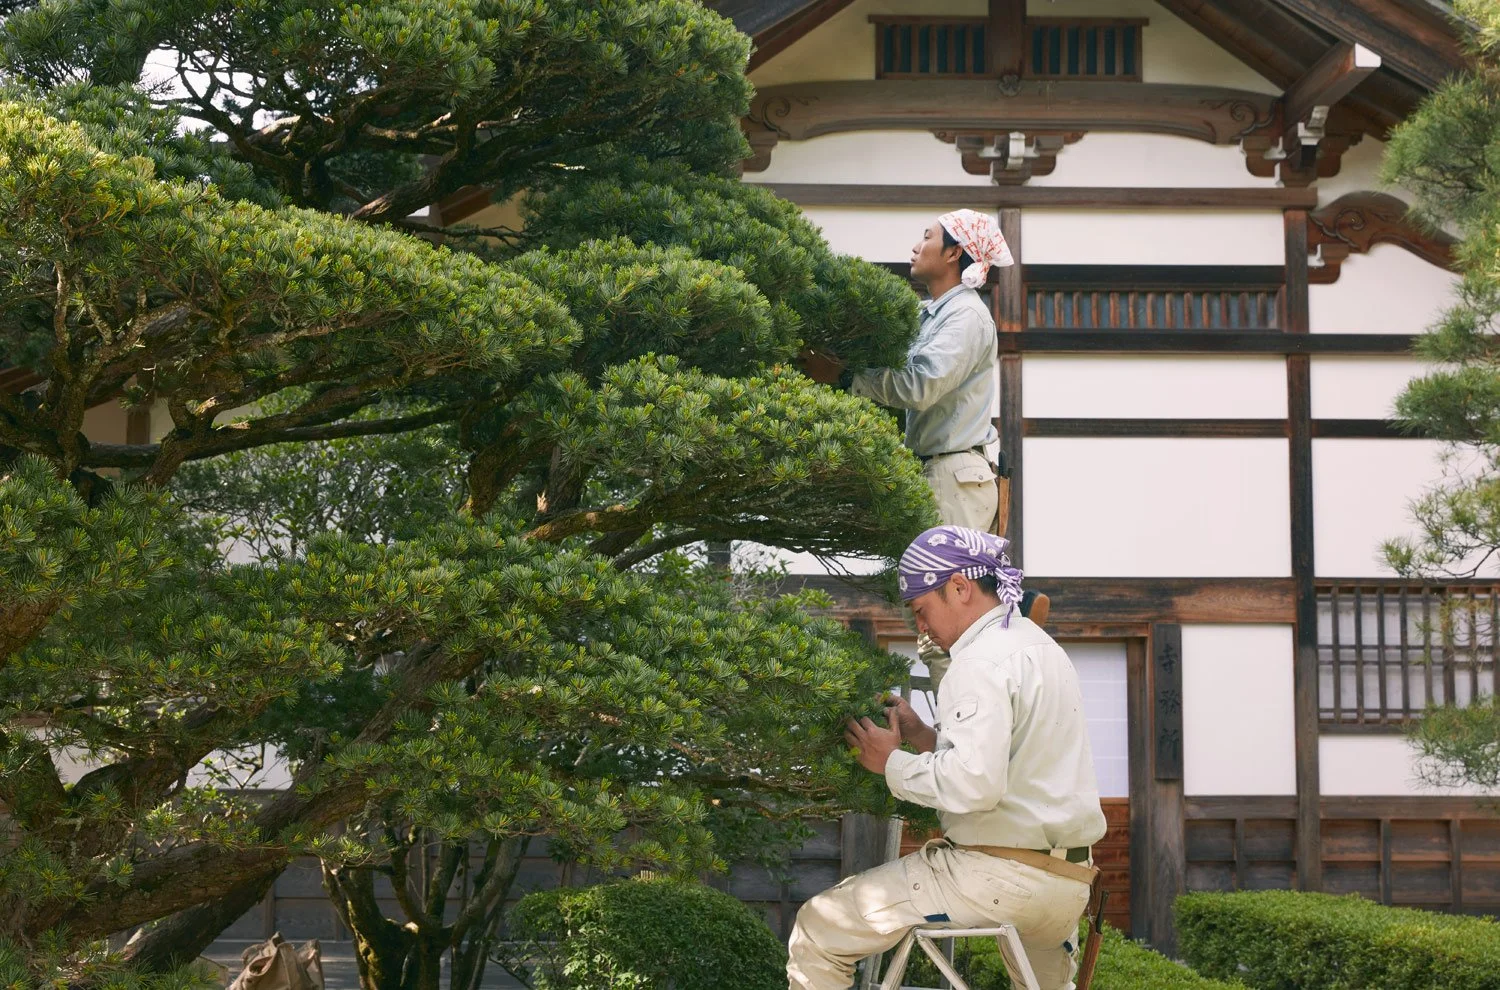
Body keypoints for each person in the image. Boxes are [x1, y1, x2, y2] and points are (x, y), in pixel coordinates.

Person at [786, 526, 1106, 990]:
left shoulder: (976, 660)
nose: (920, 626)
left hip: (996, 878)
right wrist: (923, 736)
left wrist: (889, 761)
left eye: (921, 610)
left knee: (819, 925)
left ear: (959, 586)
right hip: (1068, 886)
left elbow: (975, 785)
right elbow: (1008, 765)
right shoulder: (1043, 648)